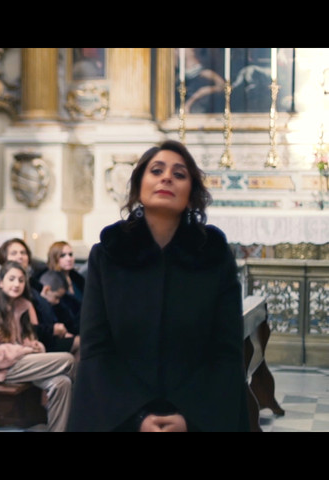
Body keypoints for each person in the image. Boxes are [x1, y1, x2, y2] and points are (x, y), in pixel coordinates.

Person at [68, 139, 249, 432]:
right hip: (119, 417)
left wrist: (188, 416)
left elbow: (225, 351)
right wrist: (137, 417)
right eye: (156, 170)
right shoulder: (108, 255)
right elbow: (97, 349)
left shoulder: (214, 256)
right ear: (139, 186)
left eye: (179, 174)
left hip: (199, 418)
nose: (167, 177)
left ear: (191, 195)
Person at [0, 261, 75, 432]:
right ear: (1, 282)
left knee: (62, 383)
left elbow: (24, 339)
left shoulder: (21, 305)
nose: (16, 284)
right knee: (68, 360)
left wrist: (34, 345)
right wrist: (22, 350)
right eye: (11, 279)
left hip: (18, 362)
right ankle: (85, 420)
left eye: (20, 280)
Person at [36, 270, 80, 358]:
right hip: (45, 342)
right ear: (47, 289)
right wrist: (54, 329)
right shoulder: (36, 302)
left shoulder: (55, 305)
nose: (58, 301)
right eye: (56, 297)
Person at [45, 241, 85, 322]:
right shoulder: (51, 280)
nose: (69, 259)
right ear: (54, 258)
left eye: (70, 254)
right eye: (62, 255)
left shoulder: (77, 279)